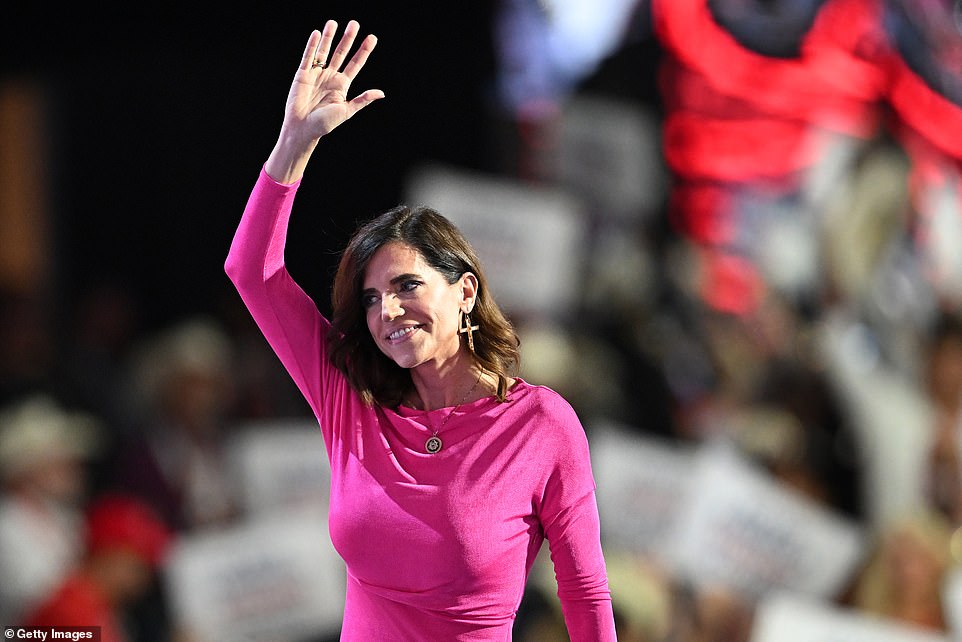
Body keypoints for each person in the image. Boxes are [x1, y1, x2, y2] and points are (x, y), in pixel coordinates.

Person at [224, 19, 616, 640]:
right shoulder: (350, 400)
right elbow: (252, 271)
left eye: (407, 285)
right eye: (372, 298)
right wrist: (292, 145)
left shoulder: (542, 425)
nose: (387, 311)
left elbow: (585, 592)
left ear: (464, 292)